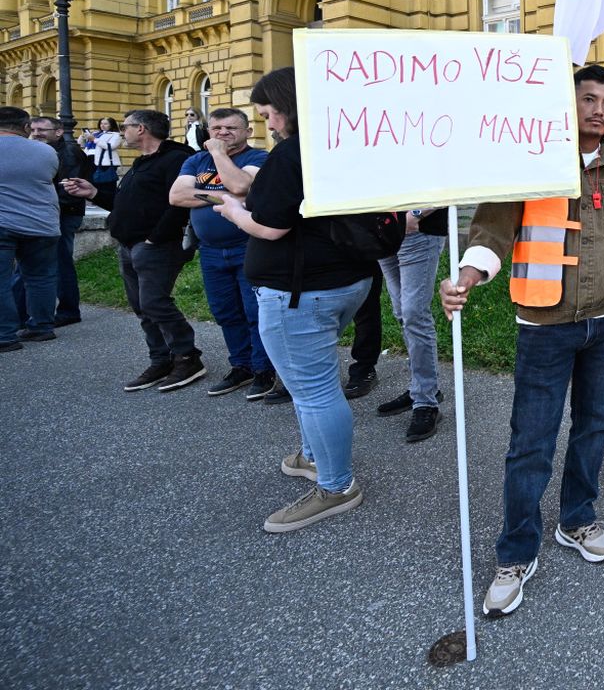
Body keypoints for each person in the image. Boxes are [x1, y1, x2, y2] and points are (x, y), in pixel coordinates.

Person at [440, 64, 604, 617]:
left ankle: (577, 519)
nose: (600, 110)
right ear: (567, 103)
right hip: (545, 325)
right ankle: (515, 553)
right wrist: (467, 275)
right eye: (589, 99)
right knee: (531, 442)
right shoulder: (528, 162)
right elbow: (491, 228)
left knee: (594, 427)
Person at [214, 68, 373, 533]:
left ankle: (336, 486)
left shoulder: (291, 154)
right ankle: (312, 454)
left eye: (268, 113)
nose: (268, 123)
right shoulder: (346, 144)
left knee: (314, 388)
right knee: (309, 380)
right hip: (348, 280)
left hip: (300, 291)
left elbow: (270, 226)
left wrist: (233, 212)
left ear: (288, 107)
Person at [63, 111, 201, 391]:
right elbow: (125, 203)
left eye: (125, 127)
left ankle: (188, 357)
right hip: (129, 245)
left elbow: (180, 203)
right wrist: (93, 193)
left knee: (154, 303)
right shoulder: (142, 161)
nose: (121, 132)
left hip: (157, 246)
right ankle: (161, 359)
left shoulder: (175, 159)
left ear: (141, 129)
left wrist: (154, 239)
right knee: (141, 306)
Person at [168, 108, 276, 399]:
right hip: (211, 251)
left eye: (231, 128)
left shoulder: (258, 157)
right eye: (216, 128)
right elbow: (177, 196)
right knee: (225, 312)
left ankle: (264, 369)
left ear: (247, 132)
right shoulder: (195, 160)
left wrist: (218, 154)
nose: (222, 133)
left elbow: (242, 185)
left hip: (248, 247)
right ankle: (241, 366)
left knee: (255, 312)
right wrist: (227, 196)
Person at [375, 207, 448, 442]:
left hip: (418, 229)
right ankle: (421, 387)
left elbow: (442, 186)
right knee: (402, 313)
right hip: (386, 229)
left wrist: (415, 214)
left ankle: (426, 400)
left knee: (414, 315)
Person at [12, 116, 89, 328]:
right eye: (33, 129)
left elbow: (70, 190)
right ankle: (18, 315)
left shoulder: (69, 152)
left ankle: (68, 311)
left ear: (58, 131)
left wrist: (43, 208)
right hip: (43, 214)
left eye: (42, 130)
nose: (36, 133)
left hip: (62, 214)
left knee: (59, 262)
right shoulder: (38, 151)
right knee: (28, 265)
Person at [0, 107, 60, 353]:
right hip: (42, 223)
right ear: (25, 127)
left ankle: (4, 335)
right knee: (41, 277)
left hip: (3, 222)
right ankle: (42, 327)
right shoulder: (47, 151)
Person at [81, 117, 123, 193]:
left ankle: (108, 197)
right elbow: (84, 145)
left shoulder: (116, 135)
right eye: (101, 123)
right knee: (92, 182)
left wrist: (94, 139)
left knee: (106, 183)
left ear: (111, 125)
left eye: (105, 124)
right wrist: (83, 137)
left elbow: (111, 146)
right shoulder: (95, 134)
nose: (102, 125)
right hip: (90, 159)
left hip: (104, 162)